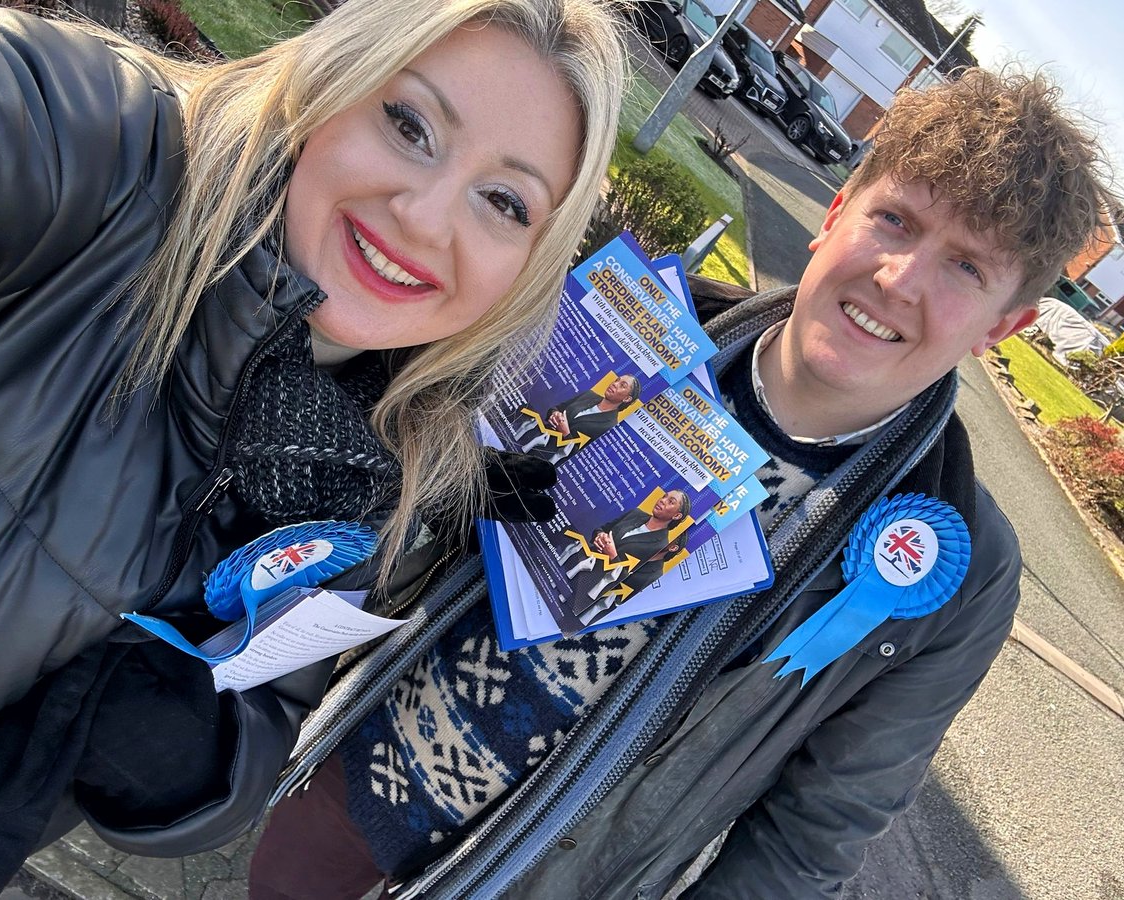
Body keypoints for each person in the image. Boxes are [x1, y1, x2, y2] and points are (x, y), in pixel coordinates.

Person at [250, 68, 1113, 899]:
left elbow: (813, 834)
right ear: (838, 210)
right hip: (361, 760)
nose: (901, 279)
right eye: (895, 220)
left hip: (551, 873)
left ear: (1006, 324)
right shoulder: (631, 326)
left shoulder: (956, 565)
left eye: (966, 267)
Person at [0, 0, 626, 895]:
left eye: (504, 201)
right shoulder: (97, 152)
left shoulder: (384, 452)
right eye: (409, 123)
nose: (424, 217)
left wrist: (194, 758)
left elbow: (263, 725)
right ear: (332, 81)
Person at [562, 488, 691, 620]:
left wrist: (613, 556)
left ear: (676, 516)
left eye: (671, 502)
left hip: (590, 590)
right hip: (575, 564)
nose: (662, 501)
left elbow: (628, 584)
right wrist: (600, 535)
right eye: (664, 496)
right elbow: (602, 529)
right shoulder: (636, 513)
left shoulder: (660, 546)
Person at [515, 373, 642, 462]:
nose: (615, 384)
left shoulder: (610, 426)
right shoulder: (589, 394)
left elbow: (581, 458)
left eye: (622, 385)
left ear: (626, 399)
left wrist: (566, 434)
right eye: (617, 380)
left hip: (544, 460)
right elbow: (556, 408)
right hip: (528, 439)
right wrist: (555, 414)